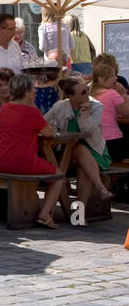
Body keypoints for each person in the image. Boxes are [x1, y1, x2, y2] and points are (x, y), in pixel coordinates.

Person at [0, 72, 68, 229]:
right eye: (33, 89)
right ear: (27, 92)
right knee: (59, 177)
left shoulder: (5, 108)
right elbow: (49, 132)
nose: (36, 91)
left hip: (2, 160)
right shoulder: (32, 112)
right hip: (23, 161)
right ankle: (45, 213)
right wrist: (33, 107)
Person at [45, 76, 116, 208]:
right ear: (70, 96)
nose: (88, 94)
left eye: (87, 89)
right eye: (83, 92)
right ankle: (100, 188)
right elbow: (43, 122)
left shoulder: (96, 107)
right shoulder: (60, 106)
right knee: (77, 147)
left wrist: (85, 111)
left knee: (82, 166)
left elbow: (87, 130)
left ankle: (79, 214)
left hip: (95, 152)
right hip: (67, 153)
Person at [89, 62, 129, 162]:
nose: (116, 78)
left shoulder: (90, 94)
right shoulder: (112, 94)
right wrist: (124, 94)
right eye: (112, 76)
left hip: (94, 143)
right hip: (113, 143)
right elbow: (127, 113)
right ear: (101, 79)